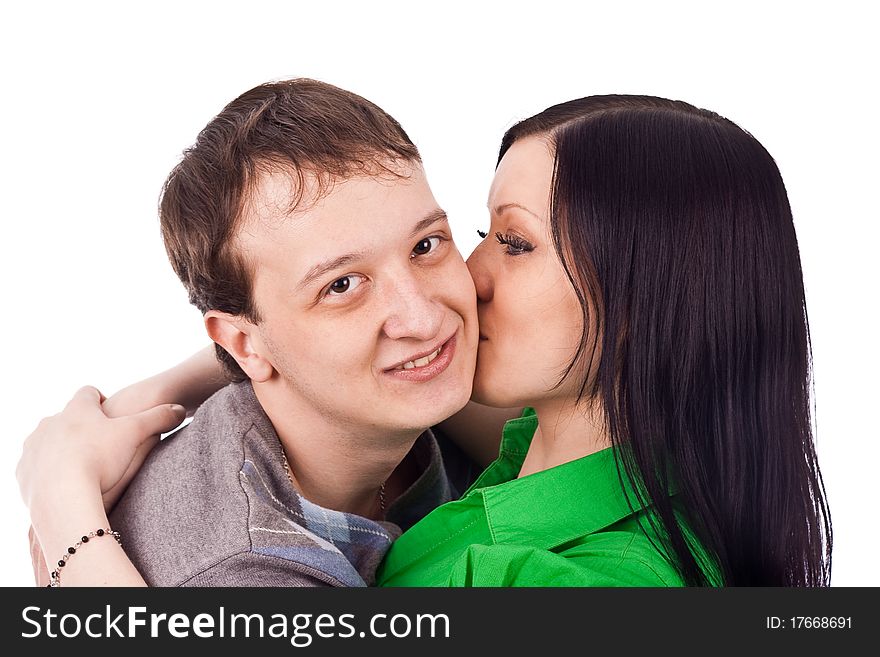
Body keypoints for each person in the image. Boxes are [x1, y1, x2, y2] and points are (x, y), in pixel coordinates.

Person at [19, 94, 832, 587]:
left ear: (643, 308)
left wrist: (67, 518)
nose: (456, 287)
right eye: (479, 232)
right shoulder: (569, 445)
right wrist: (230, 357)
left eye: (511, 243)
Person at [16, 78, 486, 587]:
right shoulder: (243, 571)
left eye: (425, 245)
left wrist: (167, 388)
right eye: (342, 285)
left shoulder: (394, 391)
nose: (423, 319)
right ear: (242, 343)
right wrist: (64, 510)